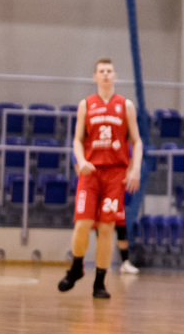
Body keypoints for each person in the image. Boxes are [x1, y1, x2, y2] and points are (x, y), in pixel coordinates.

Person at [57, 57, 143, 299]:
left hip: (115, 174)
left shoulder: (126, 105)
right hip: (90, 172)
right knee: (82, 223)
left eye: (109, 70)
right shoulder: (86, 104)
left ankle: (100, 282)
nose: (105, 74)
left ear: (115, 75)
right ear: (95, 77)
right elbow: (77, 140)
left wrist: (135, 168)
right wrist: (80, 160)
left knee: (106, 228)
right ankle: (76, 267)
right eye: (101, 71)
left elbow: (137, 141)